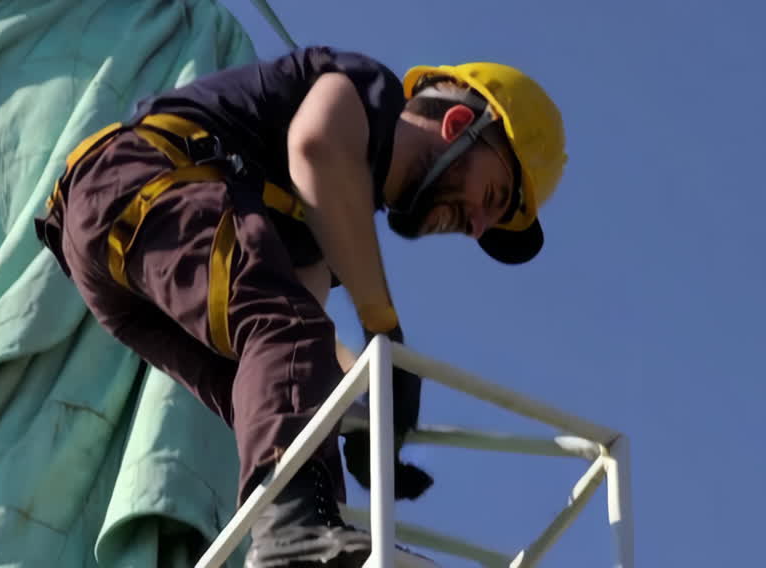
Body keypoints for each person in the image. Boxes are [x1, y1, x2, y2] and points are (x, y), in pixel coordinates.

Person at [34, 45, 567, 566]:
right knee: (284, 333)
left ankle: (312, 537)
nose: (475, 228)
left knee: (272, 384)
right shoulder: (361, 91)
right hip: (139, 179)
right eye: (492, 198)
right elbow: (316, 147)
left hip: (114, 247)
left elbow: (298, 347)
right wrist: (385, 330)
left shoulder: (327, 230)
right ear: (456, 124)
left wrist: (362, 421)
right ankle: (294, 538)